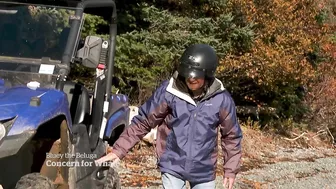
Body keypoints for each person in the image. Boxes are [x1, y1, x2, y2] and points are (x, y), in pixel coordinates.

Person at [96, 44, 243, 189]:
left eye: (196, 75)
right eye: (187, 73)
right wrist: (119, 150)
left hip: (203, 170)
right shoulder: (170, 91)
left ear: (208, 74)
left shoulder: (221, 99)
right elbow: (144, 121)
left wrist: (230, 170)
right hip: (172, 163)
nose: (191, 79)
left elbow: (232, 136)